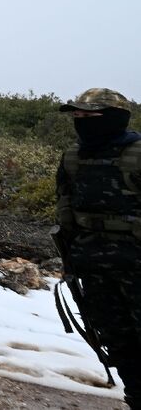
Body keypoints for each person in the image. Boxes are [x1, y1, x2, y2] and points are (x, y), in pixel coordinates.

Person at [55, 88, 141, 408]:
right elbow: (65, 208)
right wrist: (70, 259)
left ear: (114, 118)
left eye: (89, 116)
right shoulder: (73, 157)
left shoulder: (138, 153)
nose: (81, 121)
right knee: (117, 341)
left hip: (136, 262)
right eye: (77, 116)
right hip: (92, 263)